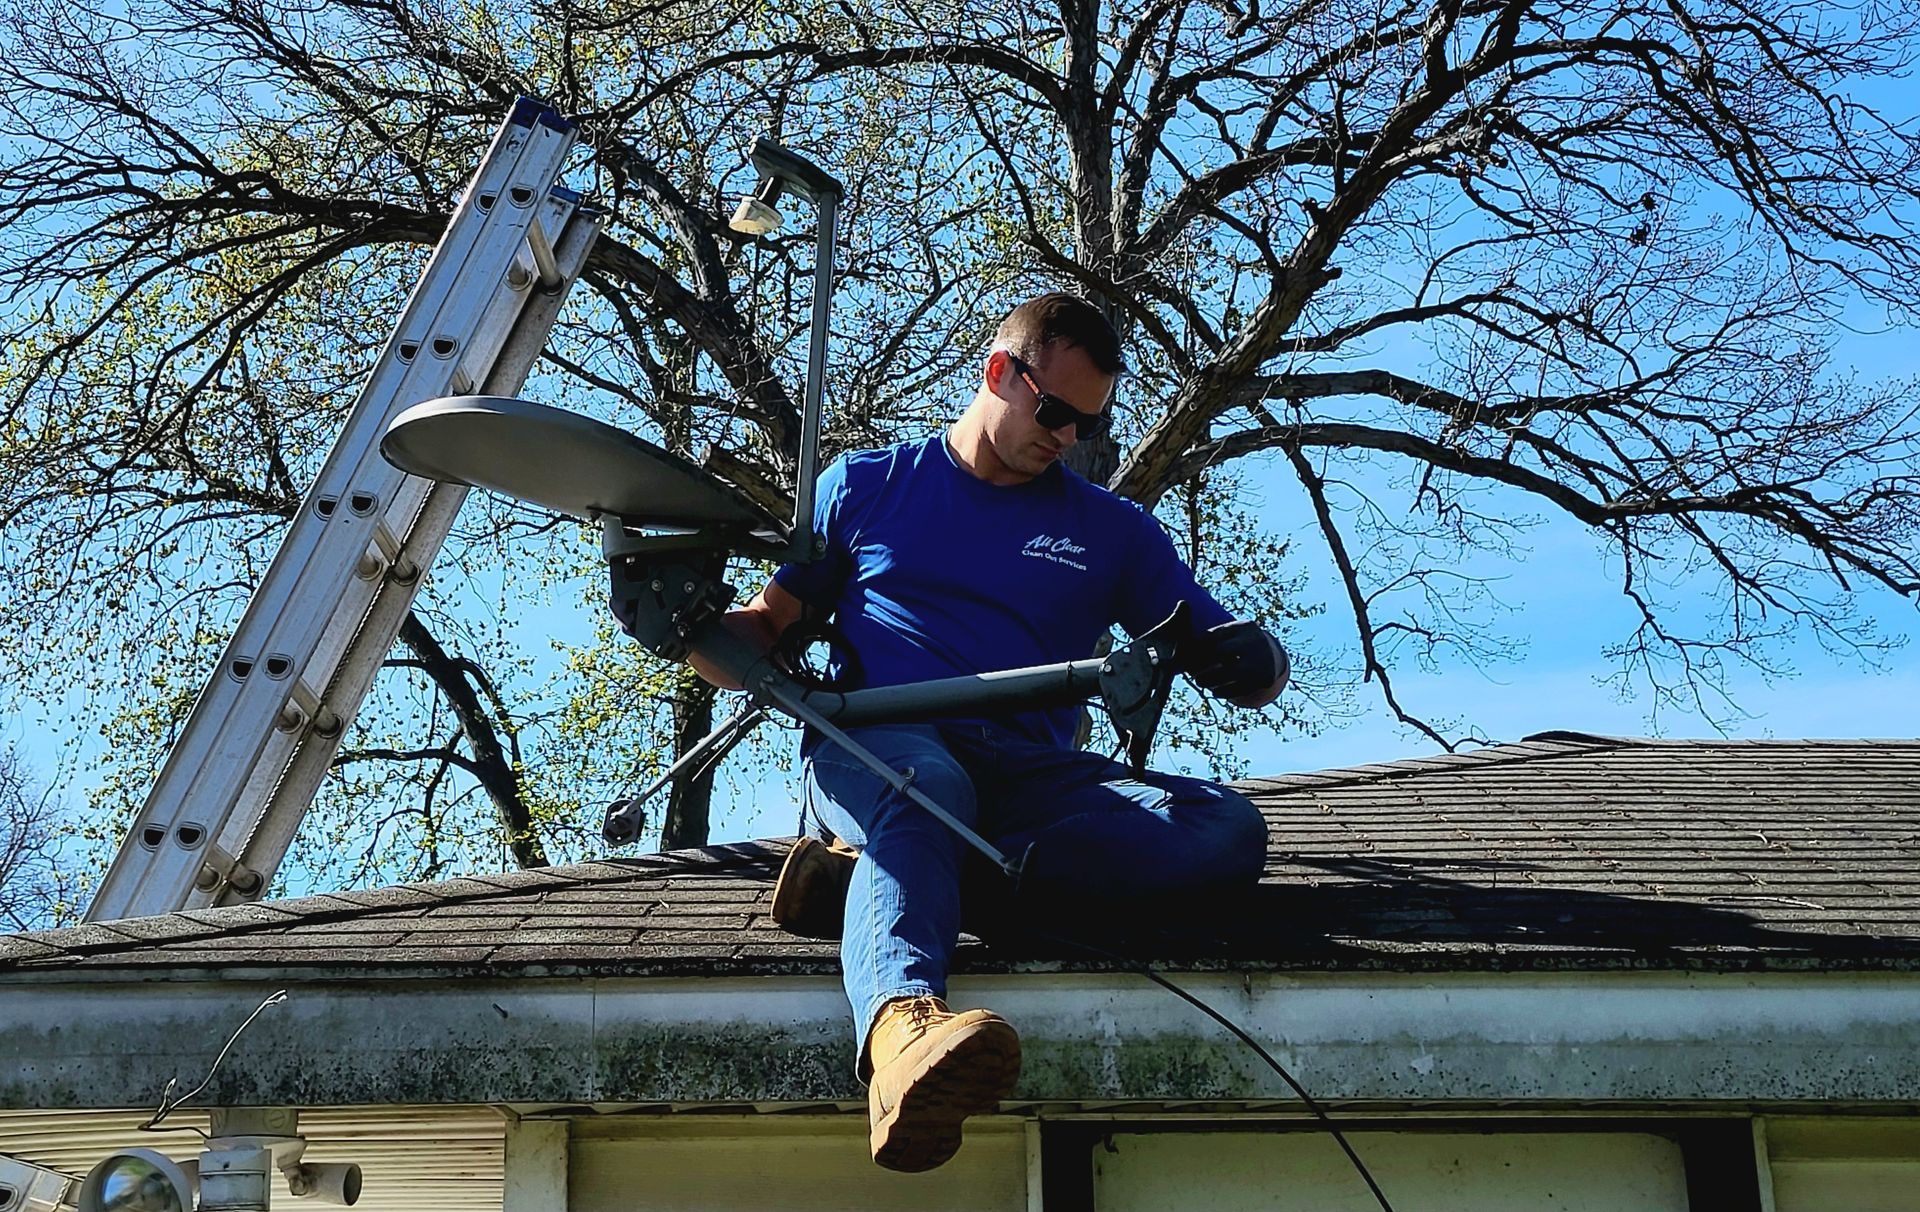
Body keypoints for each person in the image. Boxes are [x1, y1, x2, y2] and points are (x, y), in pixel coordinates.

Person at [690, 294, 1287, 1172]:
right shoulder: (865, 486)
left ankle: (879, 888)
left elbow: (1228, 643)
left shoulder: (1112, 532)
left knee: (1227, 831)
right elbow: (765, 627)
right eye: (1056, 413)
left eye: (1088, 423)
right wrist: (690, 627)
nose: (1069, 438)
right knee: (929, 792)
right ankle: (901, 1035)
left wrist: (1255, 663)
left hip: (1031, 777)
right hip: (883, 748)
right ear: (1000, 372)